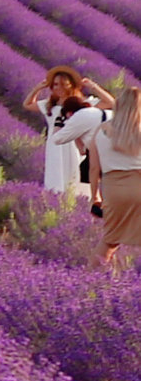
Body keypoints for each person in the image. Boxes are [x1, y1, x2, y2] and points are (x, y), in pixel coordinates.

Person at [28, 67, 104, 207]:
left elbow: (111, 103)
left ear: (71, 85)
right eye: (55, 84)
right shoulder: (49, 104)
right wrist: (38, 88)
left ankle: (81, 207)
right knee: (56, 178)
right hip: (55, 147)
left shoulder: (82, 104)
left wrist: (94, 87)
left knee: (76, 177)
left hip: (75, 146)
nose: (59, 88)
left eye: (63, 84)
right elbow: (27, 105)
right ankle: (57, 207)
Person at [88, 84, 141, 266]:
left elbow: (94, 168)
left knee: (110, 240)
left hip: (112, 189)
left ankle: (89, 281)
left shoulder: (101, 130)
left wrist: (95, 196)